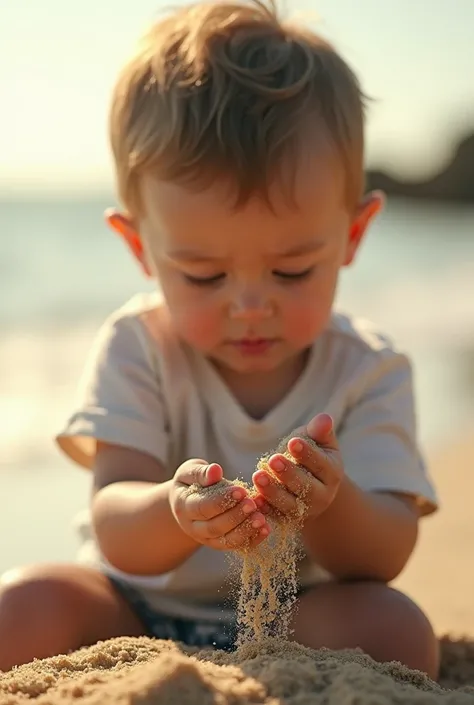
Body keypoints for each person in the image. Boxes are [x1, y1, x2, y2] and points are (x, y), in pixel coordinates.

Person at [0, 0, 439, 677]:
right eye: (203, 274)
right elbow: (115, 521)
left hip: (298, 611)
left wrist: (330, 504)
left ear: (352, 235)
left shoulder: (370, 367)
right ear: (140, 247)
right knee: (21, 602)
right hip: (134, 606)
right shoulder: (137, 345)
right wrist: (177, 511)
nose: (251, 305)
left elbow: (383, 552)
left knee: (398, 628)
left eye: (292, 268)